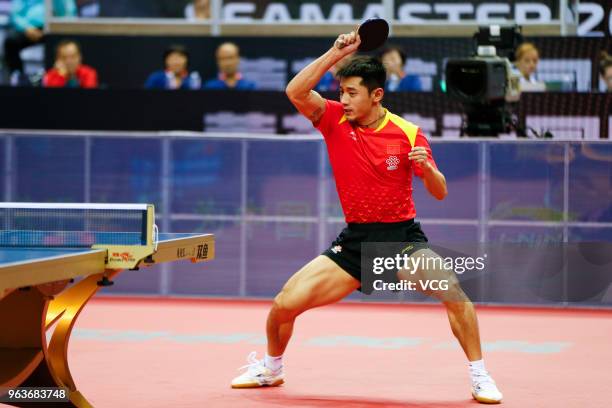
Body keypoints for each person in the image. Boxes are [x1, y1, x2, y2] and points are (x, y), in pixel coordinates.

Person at [230, 29, 504, 405]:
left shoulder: (408, 134)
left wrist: (427, 171)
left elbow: (439, 191)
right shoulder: (333, 120)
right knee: (283, 305)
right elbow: (295, 92)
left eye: (352, 92)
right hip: (355, 242)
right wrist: (334, 52)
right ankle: (272, 368)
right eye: (341, 91)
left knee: (455, 294)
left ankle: (480, 375)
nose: (343, 100)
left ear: (377, 95)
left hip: (401, 240)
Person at [3, 0, 76, 82]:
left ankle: (52, 78)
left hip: (54, 28)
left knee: (59, 44)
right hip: (28, 28)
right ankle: (18, 78)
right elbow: (15, 15)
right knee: (10, 42)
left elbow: (69, 13)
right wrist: (27, 28)